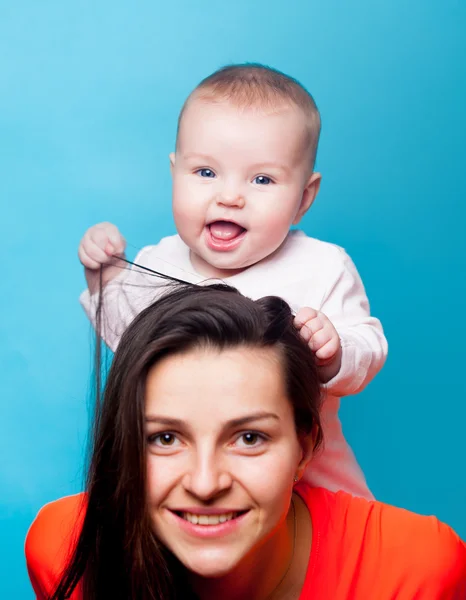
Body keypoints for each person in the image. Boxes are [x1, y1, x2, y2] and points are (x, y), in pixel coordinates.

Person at [26, 284, 465, 600]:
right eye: (164, 438)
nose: (204, 483)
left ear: (304, 446)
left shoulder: (419, 571)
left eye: (249, 438)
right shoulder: (65, 548)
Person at [77, 63, 388, 500]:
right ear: (174, 173)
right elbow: (128, 343)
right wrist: (105, 276)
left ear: (303, 198)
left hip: (309, 477)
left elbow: (369, 347)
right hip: (188, 468)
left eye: (262, 179)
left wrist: (335, 351)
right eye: (206, 173)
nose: (229, 196)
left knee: (341, 542)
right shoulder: (158, 259)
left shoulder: (322, 266)